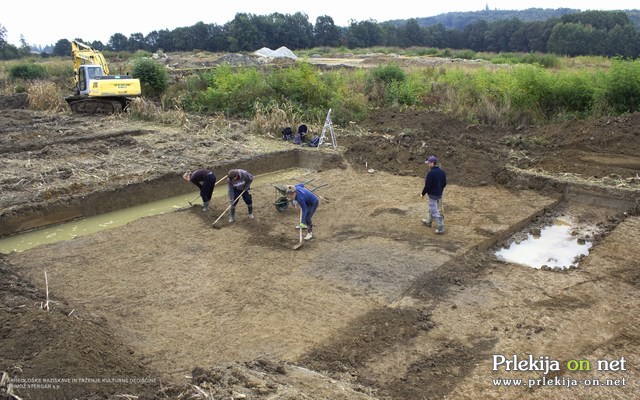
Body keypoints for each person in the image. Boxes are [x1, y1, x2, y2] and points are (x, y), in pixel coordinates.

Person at [420, 155, 447, 234]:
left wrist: (422, 194)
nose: (427, 165)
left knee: (434, 211)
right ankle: (429, 221)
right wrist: (440, 189)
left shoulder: (430, 173)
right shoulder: (442, 172)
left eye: (428, 163)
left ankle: (441, 228)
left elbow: (427, 186)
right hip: (439, 194)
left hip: (433, 195)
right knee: (433, 208)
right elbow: (445, 183)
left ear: (432, 163)